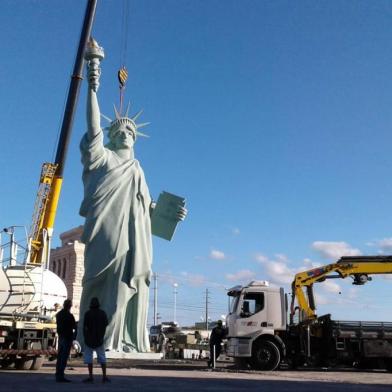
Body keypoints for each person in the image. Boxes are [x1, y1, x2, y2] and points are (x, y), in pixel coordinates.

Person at [78, 39, 186, 353]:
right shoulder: (102, 158)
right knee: (103, 283)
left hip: (135, 237)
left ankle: (120, 340)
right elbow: (93, 125)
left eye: (130, 131)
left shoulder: (138, 170)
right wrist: (93, 83)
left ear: (135, 139)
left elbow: (147, 210)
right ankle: (97, 340)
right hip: (106, 232)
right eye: (119, 131)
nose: (124, 133)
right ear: (111, 138)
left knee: (128, 285)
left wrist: (170, 215)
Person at [83, 297, 109, 383]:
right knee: (102, 358)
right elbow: (106, 325)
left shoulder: (87, 314)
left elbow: (85, 327)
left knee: (89, 358)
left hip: (89, 340)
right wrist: (101, 335)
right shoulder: (102, 313)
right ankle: (104, 377)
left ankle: (91, 377)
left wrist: (86, 337)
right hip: (99, 340)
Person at [55, 299, 76, 382]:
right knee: (64, 357)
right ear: (70, 306)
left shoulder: (58, 314)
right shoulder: (70, 316)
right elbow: (74, 326)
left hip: (61, 337)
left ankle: (57, 374)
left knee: (60, 356)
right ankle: (61, 375)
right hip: (67, 337)